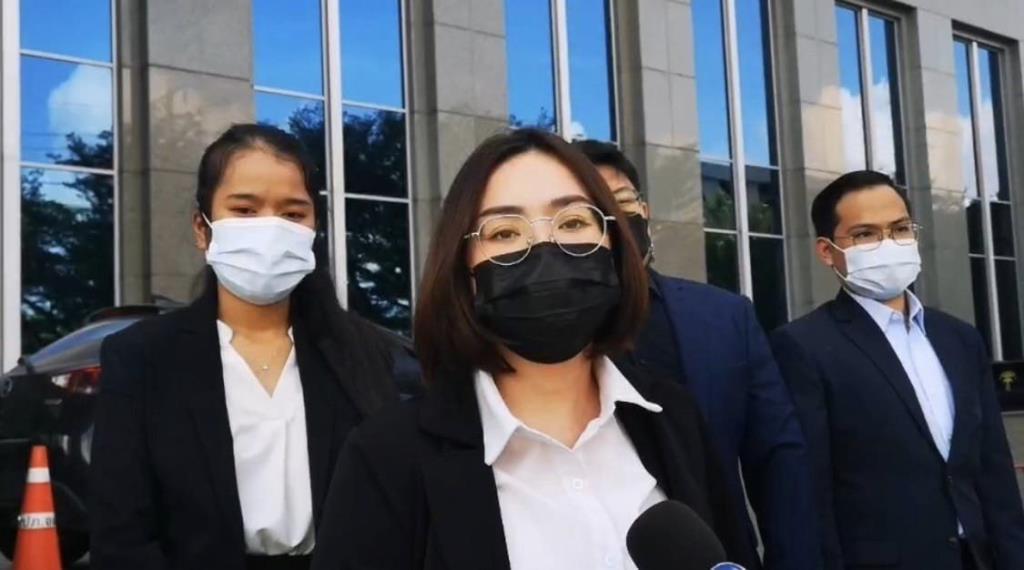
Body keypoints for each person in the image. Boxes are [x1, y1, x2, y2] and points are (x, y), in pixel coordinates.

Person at [310, 128, 754, 570]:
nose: (545, 248)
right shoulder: (386, 457)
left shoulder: (674, 419)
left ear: (614, 245)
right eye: (504, 232)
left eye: (573, 223)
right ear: (463, 271)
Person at [89, 124, 401, 569]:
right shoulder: (142, 357)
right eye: (245, 210)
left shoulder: (363, 353)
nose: (270, 229)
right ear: (202, 228)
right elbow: (121, 537)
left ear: (314, 228)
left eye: (292, 214)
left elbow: (391, 514)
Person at [574, 139, 818, 569]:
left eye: (623, 202)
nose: (613, 220)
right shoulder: (539, 330)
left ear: (645, 211)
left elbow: (779, 460)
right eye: (590, 211)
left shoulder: (726, 317)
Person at [771, 170, 1024, 570]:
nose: (888, 244)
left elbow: (993, 471)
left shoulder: (959, 338)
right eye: (865, 234)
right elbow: (809, 489)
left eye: (900, 228)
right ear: (826, 251)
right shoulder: (803, 346)